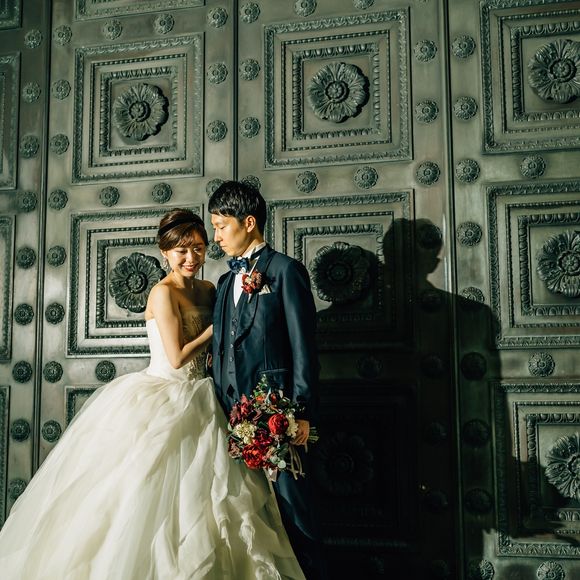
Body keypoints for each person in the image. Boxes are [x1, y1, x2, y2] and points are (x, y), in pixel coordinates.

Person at [0, 209, 305, 580]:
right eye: (182, 251)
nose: (191, 258)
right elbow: (176, 357)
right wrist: (220, 326)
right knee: (150, 495)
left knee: (216, 498)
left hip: (208, 395)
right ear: (165, 253)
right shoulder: (163, 293)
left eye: (198, 248)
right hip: (167, 394)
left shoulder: (210, 289)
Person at [208, 181, 327, 580]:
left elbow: (303, 348)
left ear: (249, 222)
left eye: (221, 226)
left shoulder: (285, 271)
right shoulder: (224, 283)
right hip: (229, 420)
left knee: (294, 518)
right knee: (245, 522)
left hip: (276, 418)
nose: (216, 237)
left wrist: (301, 412)